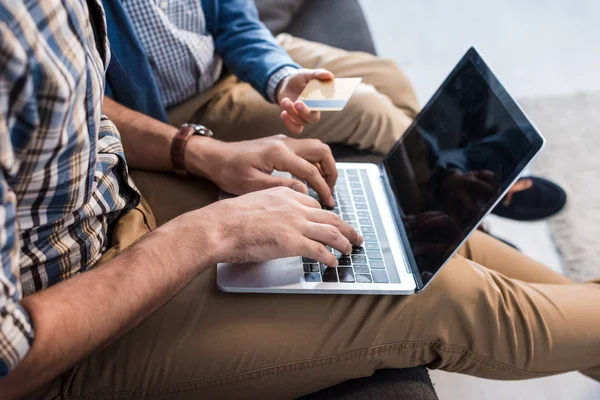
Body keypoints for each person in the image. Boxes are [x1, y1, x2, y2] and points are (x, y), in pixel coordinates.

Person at [3, 1, 600, 400]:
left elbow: (85, 108)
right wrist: (205, 234)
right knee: (438, 296)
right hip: (65, 331)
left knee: (396, 222)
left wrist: (197, 153)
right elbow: (11, 355)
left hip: (116, 203)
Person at [102, 0, 567, 222]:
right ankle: (457, 201)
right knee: (370, 109)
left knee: (388, 77)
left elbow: (233, 18)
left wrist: (280, 76)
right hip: (179, 107)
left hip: (232, 62)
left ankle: (432, 183)